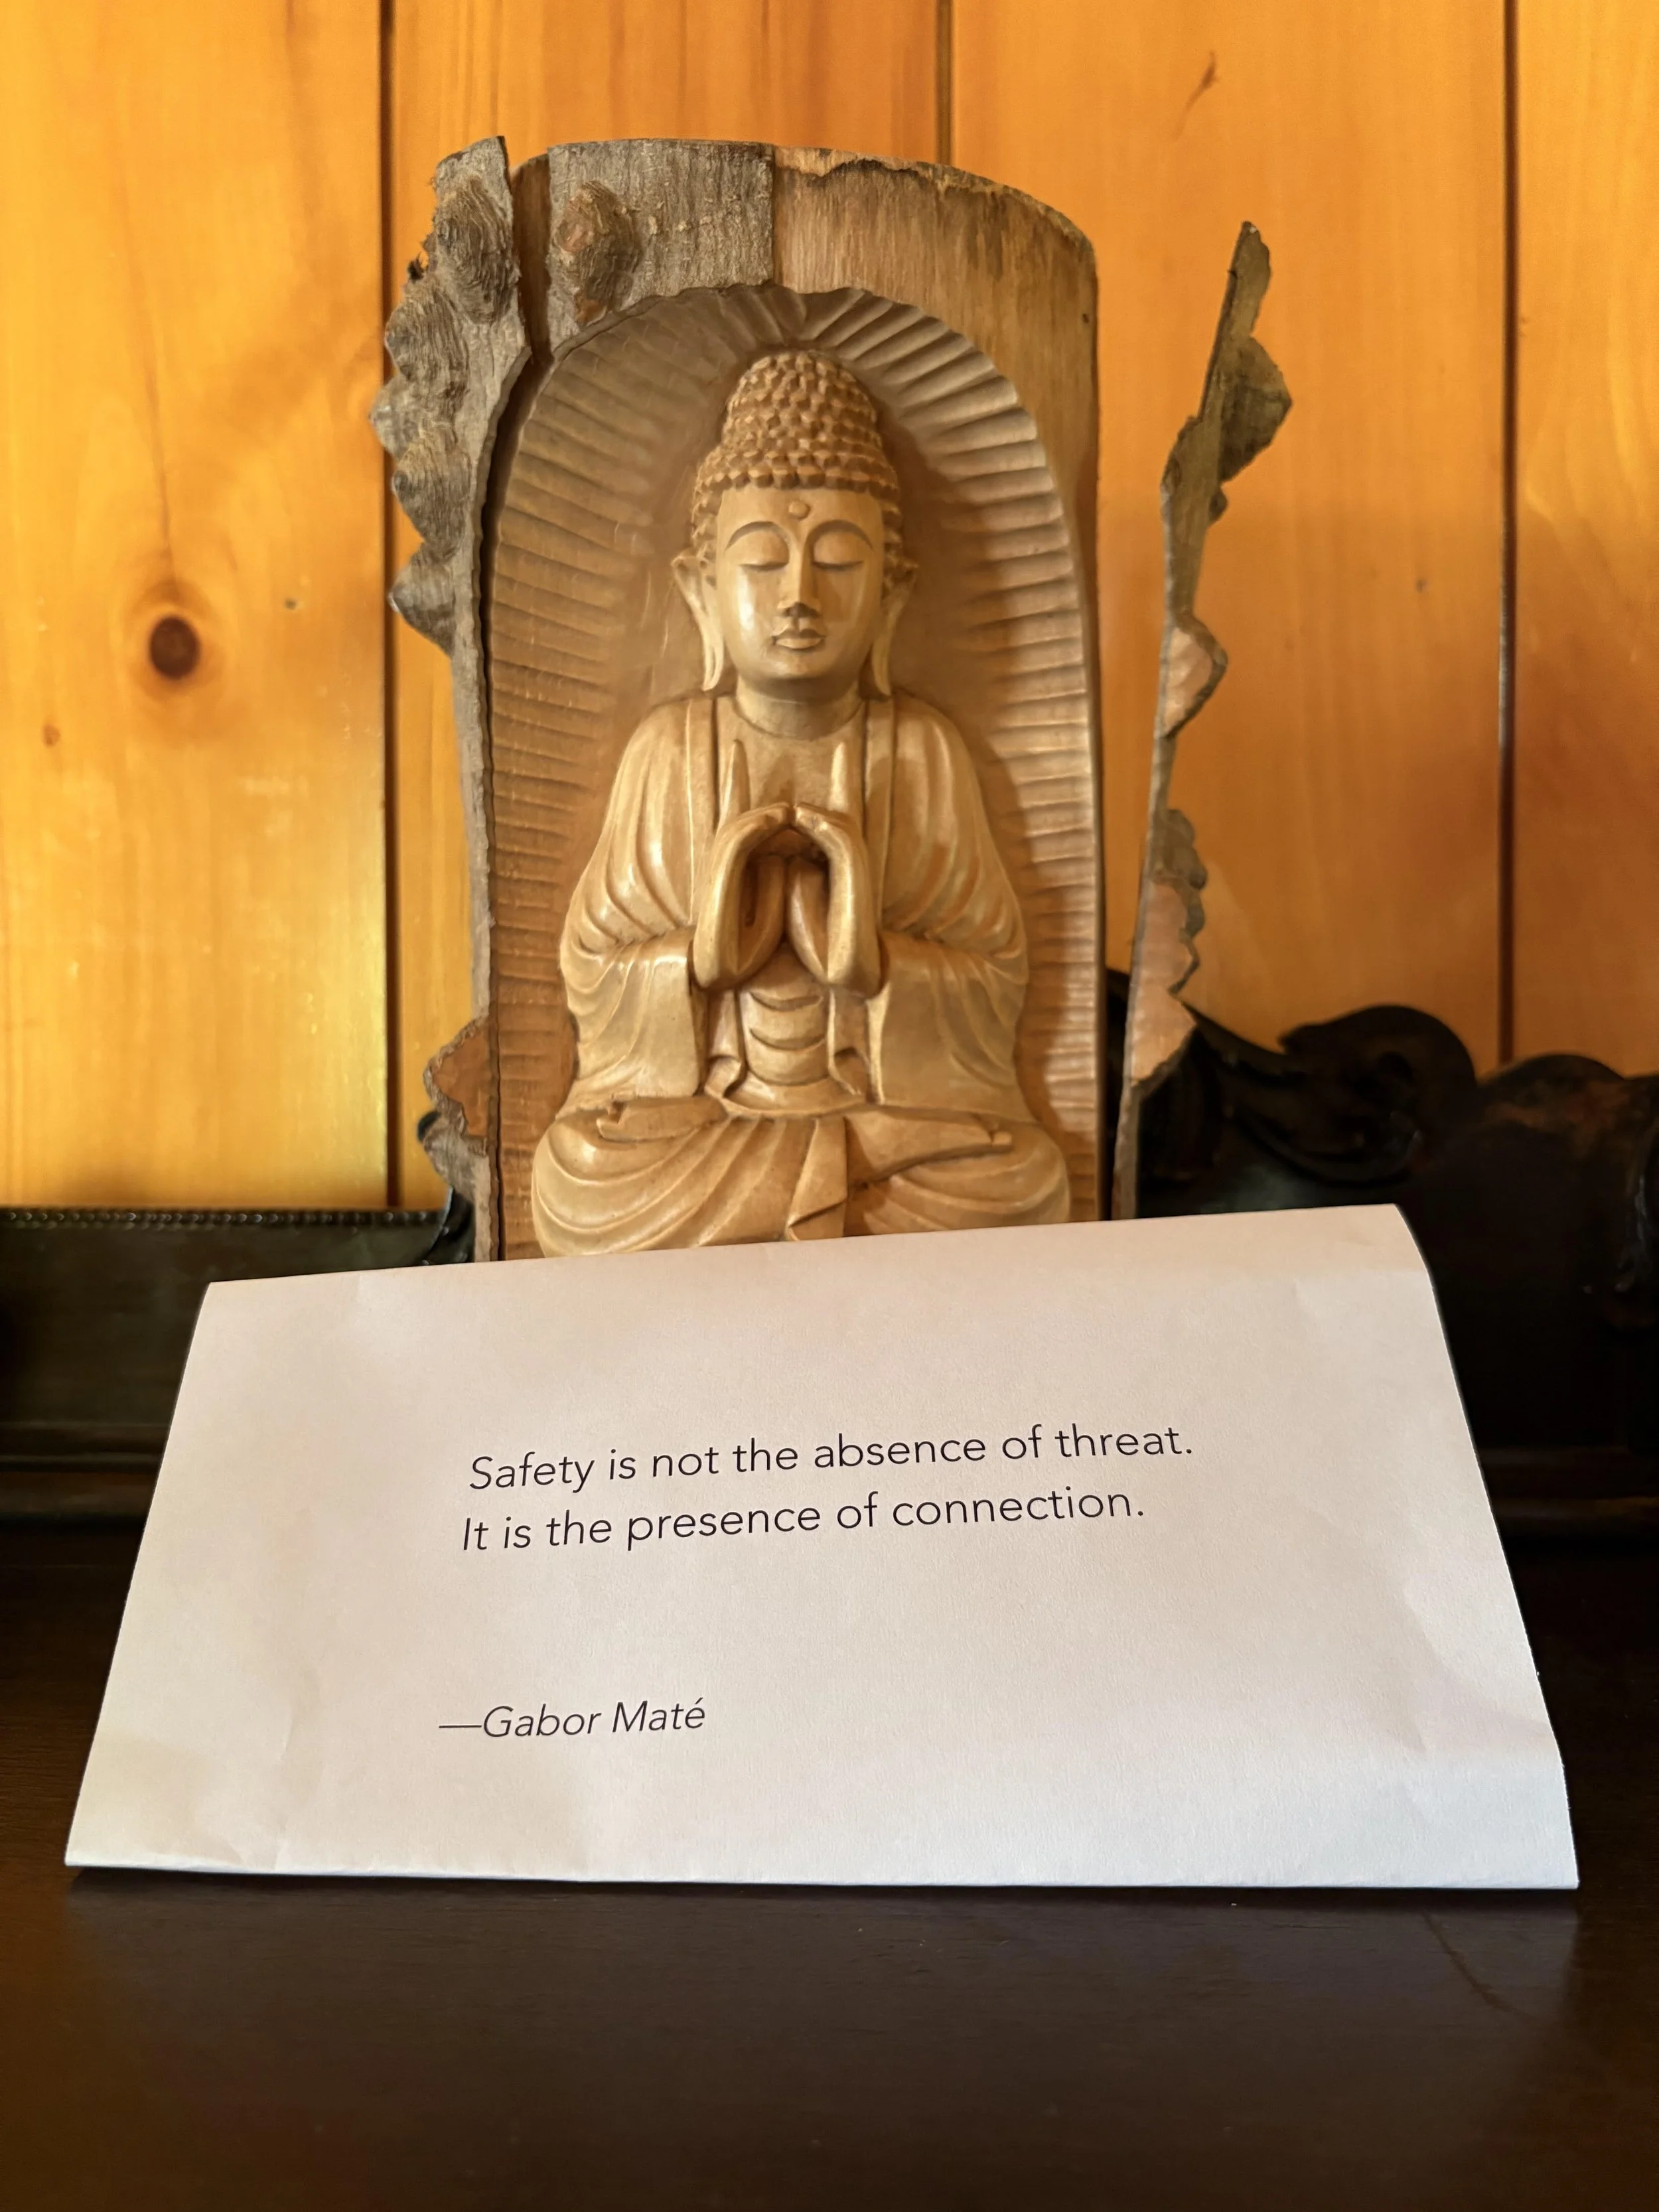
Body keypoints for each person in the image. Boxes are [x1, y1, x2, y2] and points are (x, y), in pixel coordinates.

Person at [531, 350, 1069, 1255]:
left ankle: (806, 1198)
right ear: (701, 590)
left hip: (882, 1126)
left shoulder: (922, 750)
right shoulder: (668, 750)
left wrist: (867, 958)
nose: (799, 598)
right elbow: (592, 969)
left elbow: (995, 975)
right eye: (761, 561)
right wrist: (706, 952)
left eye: (840, 562)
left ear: (892, 594)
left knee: (1022, 1177)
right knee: (576, 1173)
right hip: (701, 1131)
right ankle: (823, 1202)